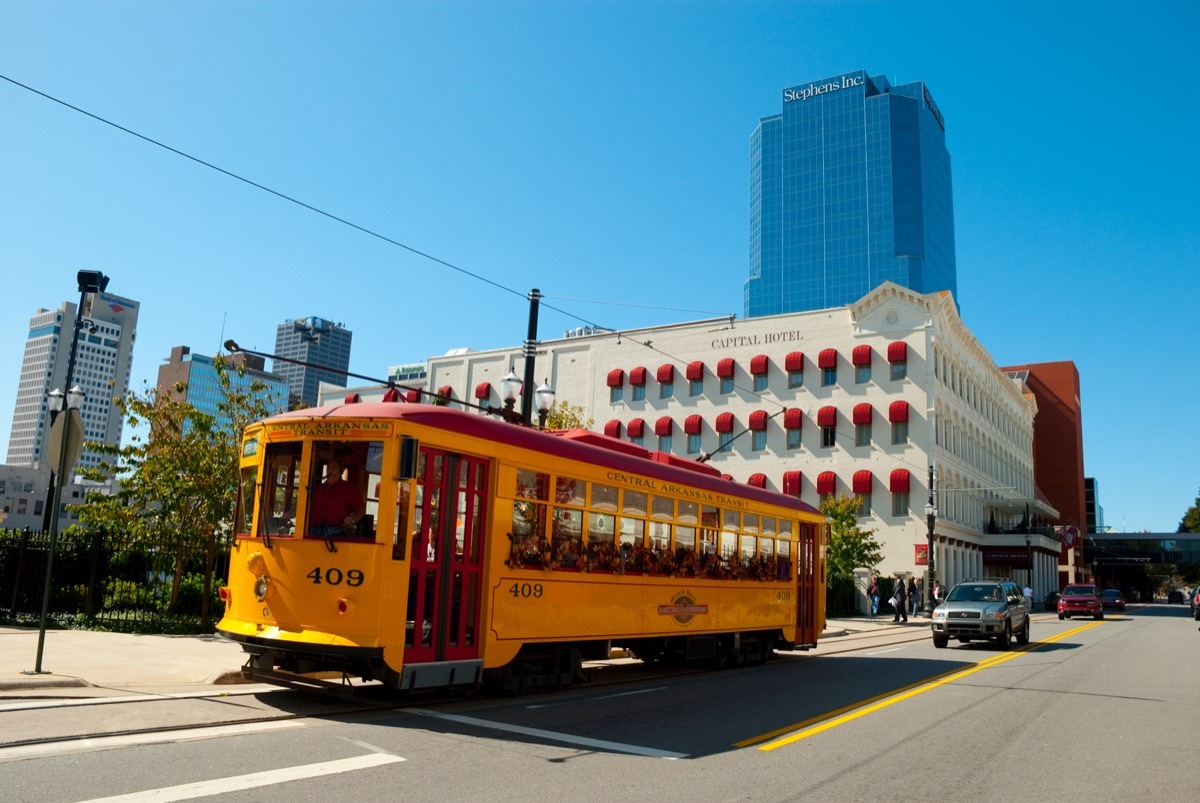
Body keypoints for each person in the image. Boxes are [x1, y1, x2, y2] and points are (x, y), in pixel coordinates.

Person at [309, 449, 366, 537]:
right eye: (328, 467)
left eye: (334, 467)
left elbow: (361, 510)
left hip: (337, 532)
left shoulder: (349, 489)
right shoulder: (319, 488)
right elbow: (307, 506)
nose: (330, 470)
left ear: (341, 470)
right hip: (315, 531)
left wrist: (352, 519)